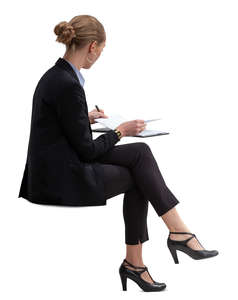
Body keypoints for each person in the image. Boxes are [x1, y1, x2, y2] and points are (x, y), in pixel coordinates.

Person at [18, 14, 219, 292]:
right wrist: (121, 131)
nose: (99, 55)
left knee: (141, 153)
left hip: (53, 166)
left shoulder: (56, 75)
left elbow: (54, 124)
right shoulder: (67, 84)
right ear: (93, 47)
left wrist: (83, 118)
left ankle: (165, 242)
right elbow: (87, 151)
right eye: (101, 50)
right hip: (60, 179)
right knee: (140, 174)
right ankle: (161, 245)